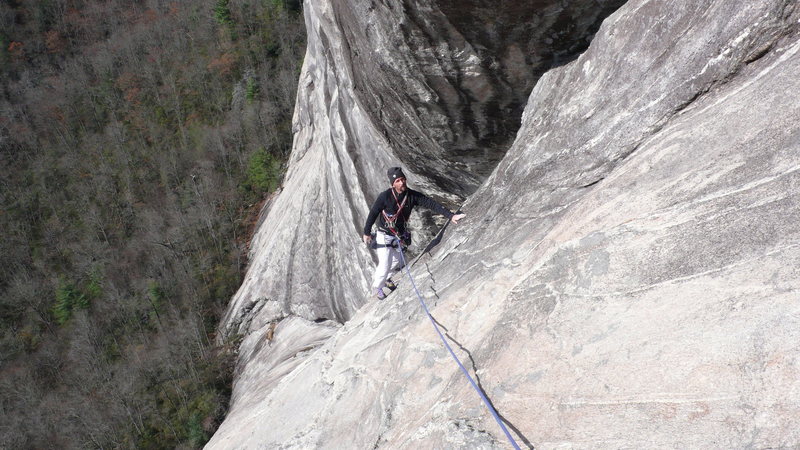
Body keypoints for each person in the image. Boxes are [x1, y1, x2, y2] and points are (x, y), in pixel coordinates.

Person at [363, 167, 465, 300]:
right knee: (385, 263)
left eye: (403, 179)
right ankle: (378, 287)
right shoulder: (385, 197)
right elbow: (373, 213)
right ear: (393, 184)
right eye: (398, 180)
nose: (402, 182)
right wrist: (367, 232)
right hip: (384, 234)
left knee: (399, 261)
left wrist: (450, 216)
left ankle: (387, 278)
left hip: (397, 235)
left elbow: (431, 204)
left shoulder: (411, 196)